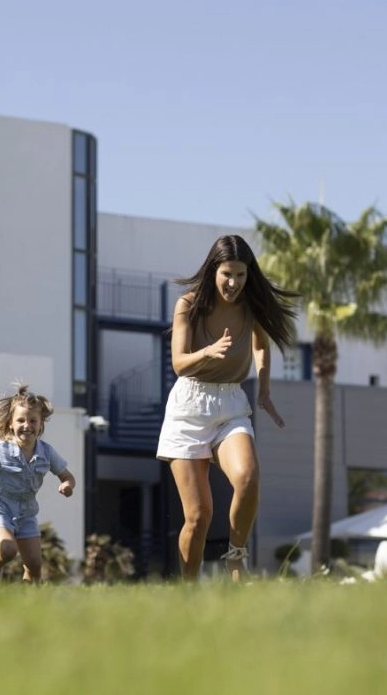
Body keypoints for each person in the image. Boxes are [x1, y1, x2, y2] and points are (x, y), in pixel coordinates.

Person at [157, 234, 297, 582]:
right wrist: (208, 351)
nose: (233, 283)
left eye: (241, 275)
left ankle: (236, 558)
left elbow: (261, 345)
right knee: (199, 515)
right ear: (213, 271)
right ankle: (188, 593)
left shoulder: (252, 307)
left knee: (248, 477)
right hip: (189, 406)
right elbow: (178, 363)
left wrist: (263, 389)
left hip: (231, 403)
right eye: (227, 274)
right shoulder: (189, 304)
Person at [0, 384, 76, 586]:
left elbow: (67, 476)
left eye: (32, 420)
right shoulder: (1, 449)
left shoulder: (47, 453)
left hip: (27, 513)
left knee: (35, 566)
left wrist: (67, 485)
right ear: (11, 424)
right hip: (1, 508)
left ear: (40, 426)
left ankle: (28, 600)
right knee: (8, 550)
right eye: (20, 420)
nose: (26, 425)